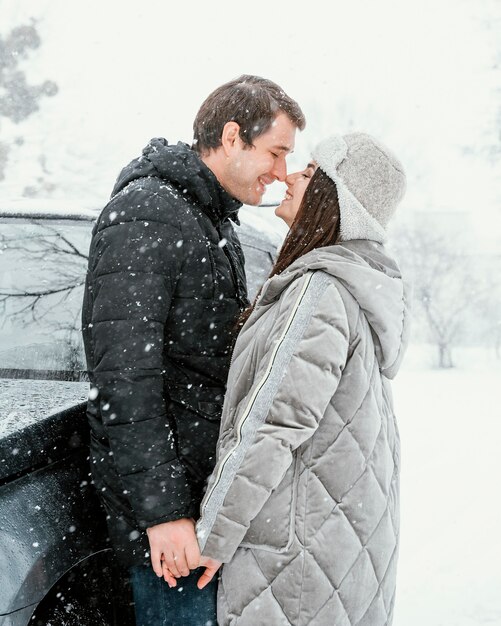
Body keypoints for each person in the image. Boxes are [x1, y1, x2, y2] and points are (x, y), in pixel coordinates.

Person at [81, 75, 305, 626]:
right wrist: (164, 514)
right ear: (232, 137)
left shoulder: (206, 218)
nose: (280, 173)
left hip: (204, 508)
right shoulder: (150, 214)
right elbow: (125, 377)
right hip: (172, 527)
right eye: (275, 152)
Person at [192, 132, 411, 625]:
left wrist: (213, 535)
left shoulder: (319, 290)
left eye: (309, 172)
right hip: (336, 550)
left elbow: (270, 423)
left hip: (295, 567)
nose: (289, 176)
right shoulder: (354, 288)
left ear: (337, 201)